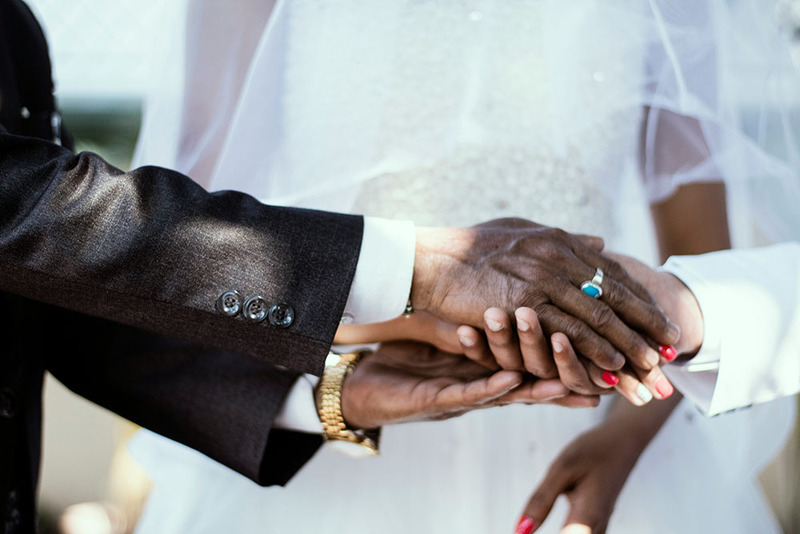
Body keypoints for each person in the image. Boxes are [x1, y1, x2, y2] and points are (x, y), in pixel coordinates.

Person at [0, 1, 680, 532]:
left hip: (576, 411)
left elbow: (75, 294)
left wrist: (339, 392)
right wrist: (419, 273)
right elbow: (113, 246)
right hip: (332, 473)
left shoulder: (15, 29)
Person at [130, 1, 799, 533]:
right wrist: (374, 346)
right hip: (350, 417)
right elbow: (191, 244)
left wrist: (629, 434)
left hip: (594, 417)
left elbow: (700, 260)